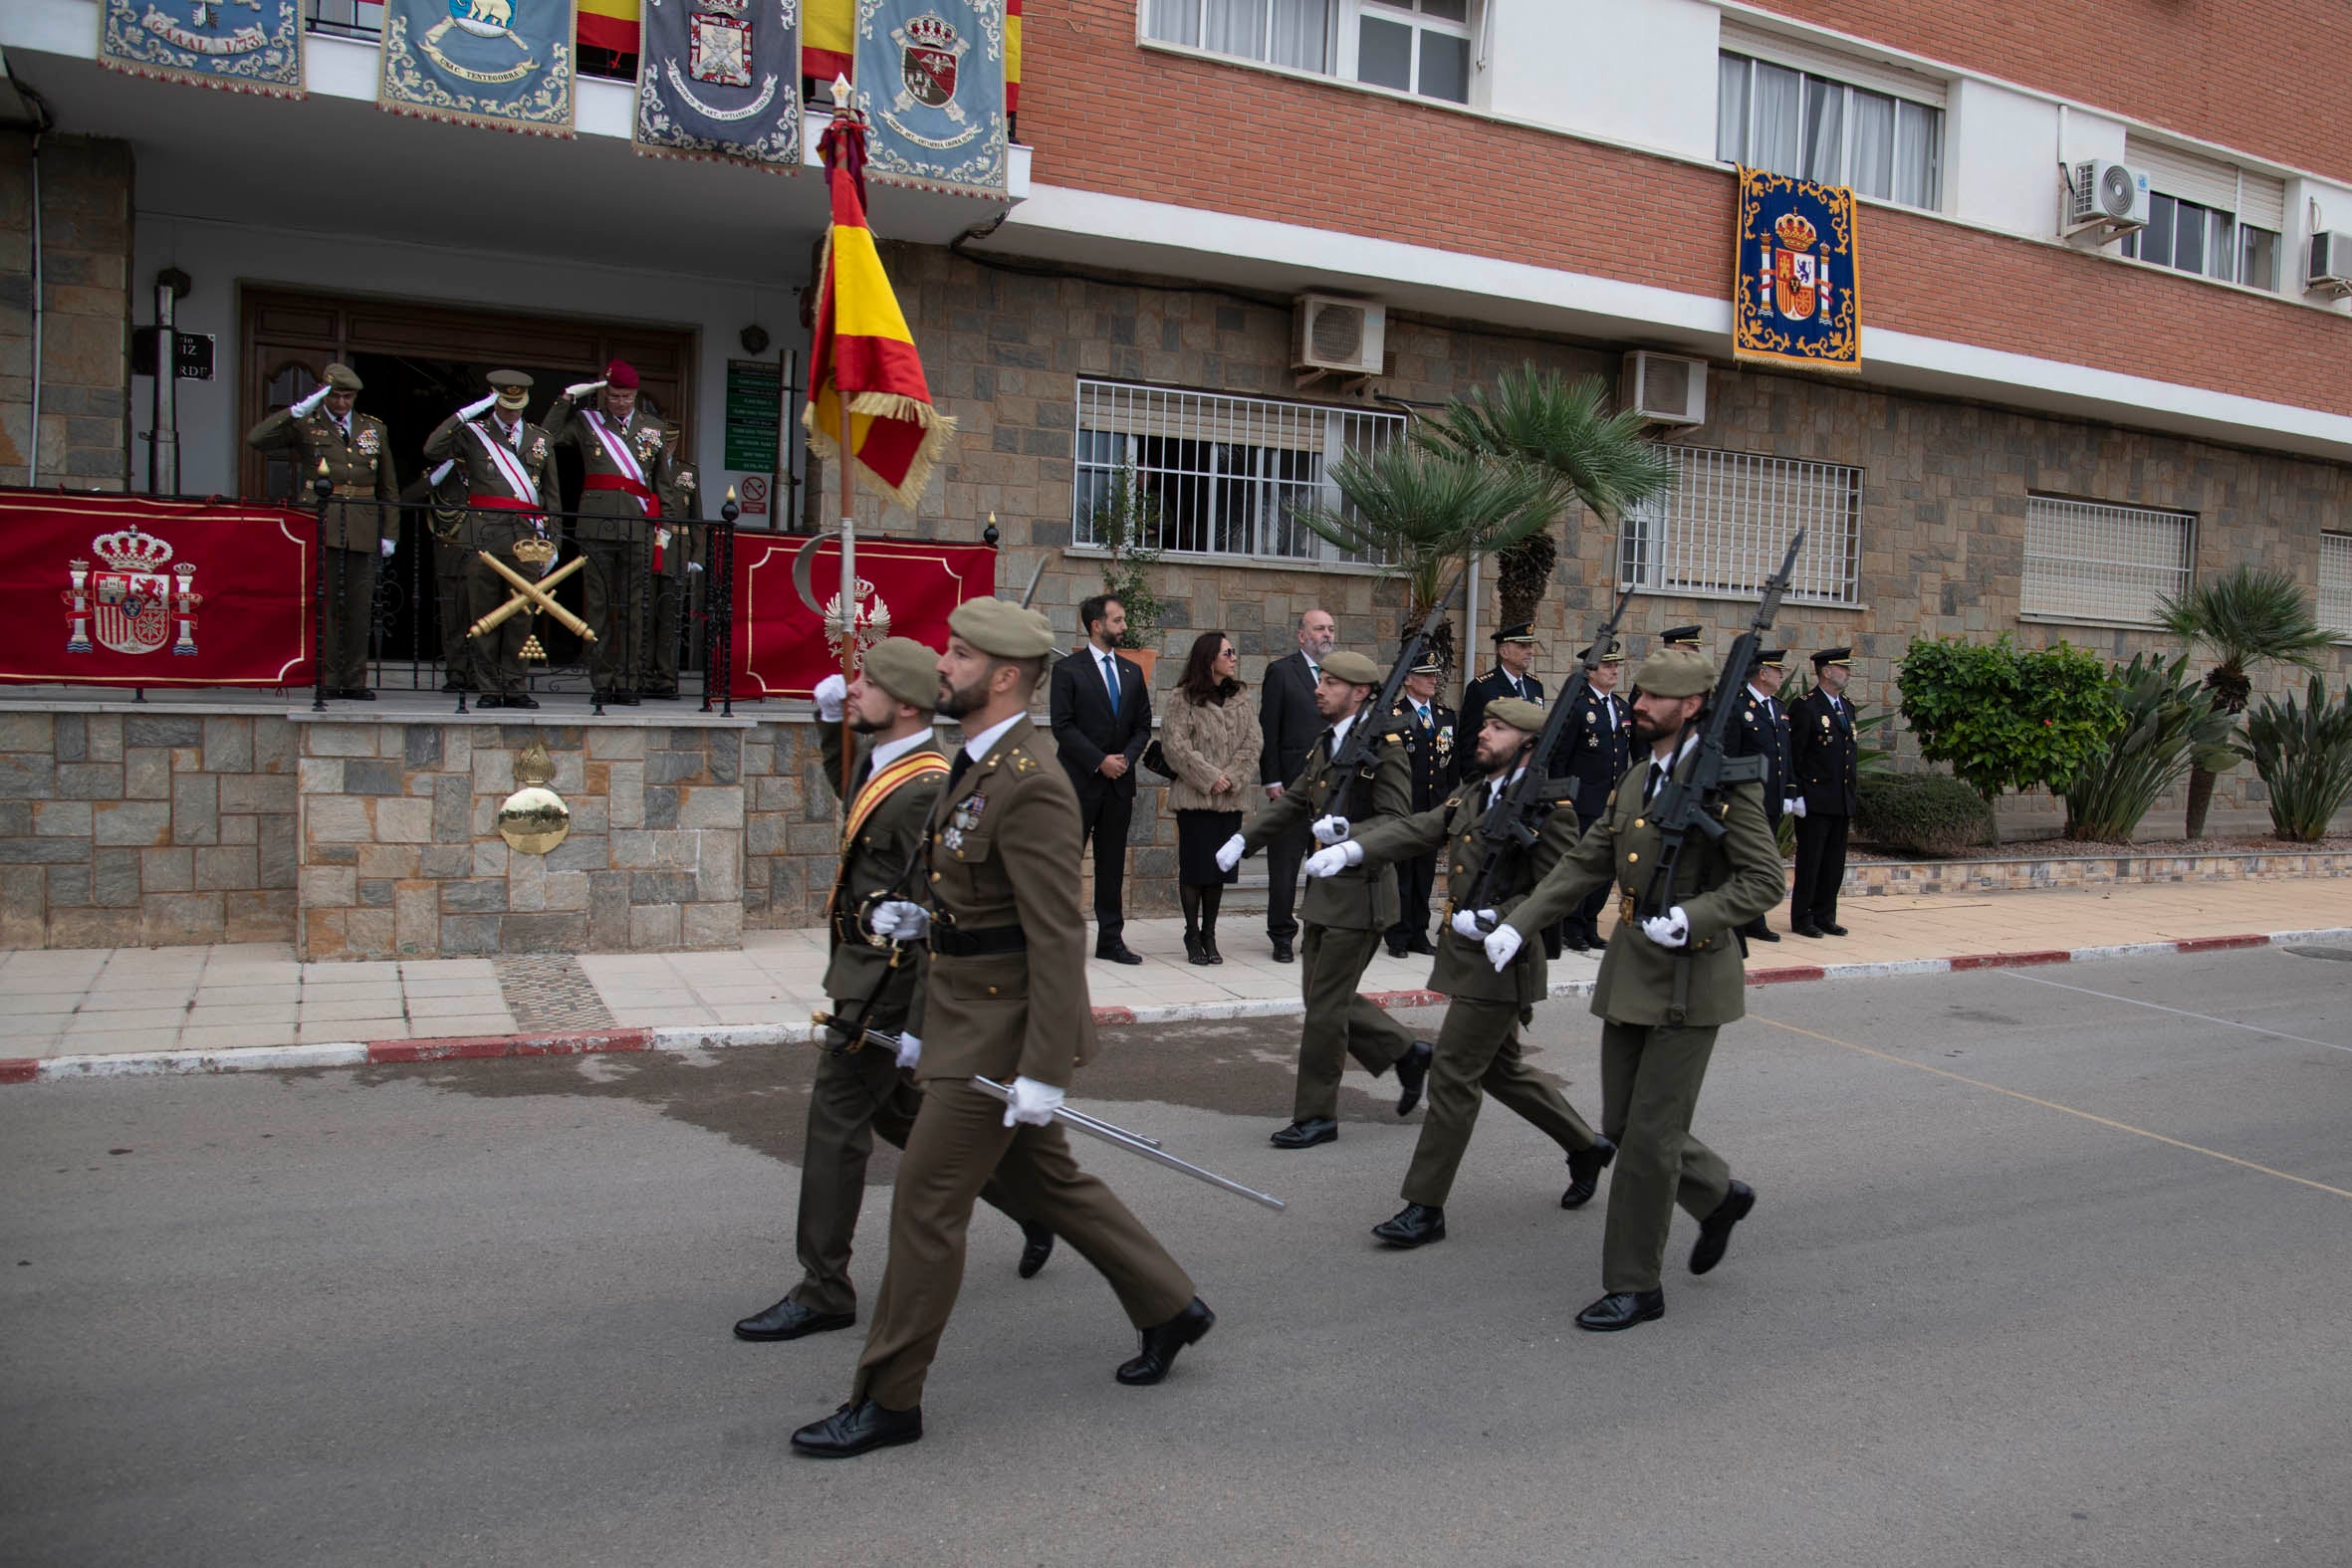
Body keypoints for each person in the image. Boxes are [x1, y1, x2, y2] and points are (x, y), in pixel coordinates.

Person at [790, 597, 1213, 1459]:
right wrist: (921, 925)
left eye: (957, 654)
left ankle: (888, 1399)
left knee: (925, 1207)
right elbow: (976, 903)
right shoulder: (975, 763)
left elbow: (1056, 935)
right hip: (958, 1011)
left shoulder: (1032, 782)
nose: (941, 665)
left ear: (1005, 675)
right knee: (1049, 1181)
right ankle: (1171, 1303)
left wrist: (1045, 1066)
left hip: (1000, 1027)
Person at [733, 637, 1052, 1346]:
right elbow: (856, 801)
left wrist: (916, 1019)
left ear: (905, 703)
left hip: (887, 982)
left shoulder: (926, 788)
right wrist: (830, 725)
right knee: (904, 1118)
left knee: (835, 1122)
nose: (851, 687)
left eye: (865, 682)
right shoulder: (885, 764)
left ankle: (824, 1287)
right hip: (860, 971)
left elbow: (941, 909)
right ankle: (1040, 1206)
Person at [1482, 647, 1781, 1332]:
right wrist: (1519, 923)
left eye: (1653, 697)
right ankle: (1717, 1194)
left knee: (1648, 1141)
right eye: (1637, 693)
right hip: (1632, 972)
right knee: (1621, 1125)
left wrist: (1696, 916)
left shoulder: (1728, 785)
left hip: (1690, 979)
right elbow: (1584, 861)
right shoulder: (1639, 778)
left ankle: (1635, 1283)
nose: (1638, 705)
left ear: (1692, 706)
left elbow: (1765, 880)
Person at [1326, 696, 1616, 1248]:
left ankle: (1424, 1206)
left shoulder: (1550, 810)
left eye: (1498, 728)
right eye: (1485, 724)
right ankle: (1586, 1145)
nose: (1483, 733)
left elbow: (1560, 887)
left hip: (1502, 963)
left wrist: (1501, 919)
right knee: (1501, 1070)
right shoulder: (1478, 791)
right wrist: (1353, 851)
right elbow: (1422, 827)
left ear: (1528, 744)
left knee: (1454, 1074)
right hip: (1465, 957)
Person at [1216, 649, 1433, 1150]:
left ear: (1360, 693)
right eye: (1322, 680)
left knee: (1325, 1010)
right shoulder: (1330, 741)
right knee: (1321, 999)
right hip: (1324, 893)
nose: (1319, 689)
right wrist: (1244, 839)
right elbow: (1296, 800)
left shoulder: (1386, 747)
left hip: (1361, 895)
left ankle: (1317, 1116)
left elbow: (1397, 821)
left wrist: (1347, 834)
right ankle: (1406, 1052)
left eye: (1332, 683)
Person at [246, 362, 397, 701]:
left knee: (359, 606)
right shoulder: (307, 424)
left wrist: (390, 532)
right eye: (336, 396)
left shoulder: (373, 428)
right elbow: (256, 439)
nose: (342, 403)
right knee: (325, 605)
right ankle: (327, 679)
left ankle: (354, 680)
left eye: (348, 397)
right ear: (323, 393)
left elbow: (388, 485)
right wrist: (297, 410)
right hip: (321, 522)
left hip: (362, 523)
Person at [421, 370, 561, 711]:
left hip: (526, 537)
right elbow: (432, 449)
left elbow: (552, 495)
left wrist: (553, 542)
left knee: (521, 614)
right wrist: (466, 413)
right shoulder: (474, 433)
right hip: (483, 535)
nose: (511, 412)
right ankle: (488, 687)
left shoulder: (541, 438)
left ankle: (514, 685)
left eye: (517, 406)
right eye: (505, 405)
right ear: (493, 400)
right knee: (484, 613)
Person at [546, 359, 675, 708]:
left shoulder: (654, 428)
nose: (620, 402)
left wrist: (666, 526)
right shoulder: (586, 422)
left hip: (637, 527)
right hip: (595, 525)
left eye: (626, 396)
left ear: (636, 395)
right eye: (615, 396)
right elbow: (546, 438)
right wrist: (565, 400)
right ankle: (602, 681)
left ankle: (629, 682)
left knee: (635, 608)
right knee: (598, 607)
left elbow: (663, 483)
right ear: (605, 395)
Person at [1046, 594, 1153, 964]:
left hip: (1118, 785)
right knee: (1065, 862)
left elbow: (1142, 725)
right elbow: (1063, 726)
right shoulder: (1069, 670)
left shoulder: (1131, 671)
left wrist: (1125, 759)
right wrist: (1099, 761)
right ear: (1097, 625)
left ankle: (1110, 940)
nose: (1124, 626)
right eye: (1117, 620)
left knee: (1111, 866)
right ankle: (1056, 939)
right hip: (1079, 783)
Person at [1159, 630, 1261, 967]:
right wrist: (1209, 777)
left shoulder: (1241, 697)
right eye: (1227, 653)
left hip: (1230, 799)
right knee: (1195, 869)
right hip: (1195, 798)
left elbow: (1253, 743)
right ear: (1209, 658)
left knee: (1219, 869)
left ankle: (1210, 933)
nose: (1233, 658)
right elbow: (1175, 745)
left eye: (1233, 652)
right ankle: (1191, 933)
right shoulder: (1182, 698)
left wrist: (1230, 777)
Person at [1258, 607, 1334, 964]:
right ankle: (1282, 936)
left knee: (1323, 867)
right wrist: (1272, 779)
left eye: (1330, 628)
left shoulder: (1340, 674)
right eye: (1319, 629)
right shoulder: (1282, 672)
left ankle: (1315, 934)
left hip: (1331, 790)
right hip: (1291, 785)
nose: (1327, 634)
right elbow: (1269, 729)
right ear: (1302, 636)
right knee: (1284, 868)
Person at [1724, 650, 1797, 944]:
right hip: (1747, 801)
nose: (1781, 675)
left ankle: (1755, 919)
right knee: (1742, 860)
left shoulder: (1777, 707)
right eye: (1777, 670)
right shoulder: (1738, 706)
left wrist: (1790, 790)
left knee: (1763, 861)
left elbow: (1785, 754)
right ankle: (1737, 919)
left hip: (1773, 798)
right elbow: (1730, 757)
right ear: (1762, 673)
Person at [1384, 658, 1455, 959]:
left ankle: (1419, 933)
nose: (1432, 680)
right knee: (1403, 873)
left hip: (1433, 808)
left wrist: (1450, 805)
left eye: (1434, 676)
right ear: (1408, 680)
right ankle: (1398, 935)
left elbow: (1452, 767)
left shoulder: (1445, 716)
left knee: (1424, 874)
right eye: (1425, 675)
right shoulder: (1393, 715)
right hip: (1404, 806)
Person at [1787, 647, 1860, 939]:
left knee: (1834, 863)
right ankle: (1803, 917)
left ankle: (1825, 914)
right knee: (1811, 861)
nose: (1848, 673)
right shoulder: (1806, 707)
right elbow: (1795, 754)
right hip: (1815, 799)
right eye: (1843, 668)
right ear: (1826, 671)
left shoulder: (1847, 707)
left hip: (1840, 798)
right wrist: (1796, 793)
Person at [644, 430, 704, 700]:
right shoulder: (642, 465)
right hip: (648, 546)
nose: (667, 446)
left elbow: (696, 516)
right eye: (664, 442)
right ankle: (642, 675)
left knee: (670, 617)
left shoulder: (687, 472)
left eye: (671, 442)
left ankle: (666, 679)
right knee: (644, 615)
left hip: (677, 550)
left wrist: (697, 555)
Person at [1458, 621, 1544, 752]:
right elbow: (1468, 742)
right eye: (1522, 646)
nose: (1530, 651)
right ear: (1504, 652)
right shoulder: (1482, 688)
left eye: (1530, 646)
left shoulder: (1535, 686)